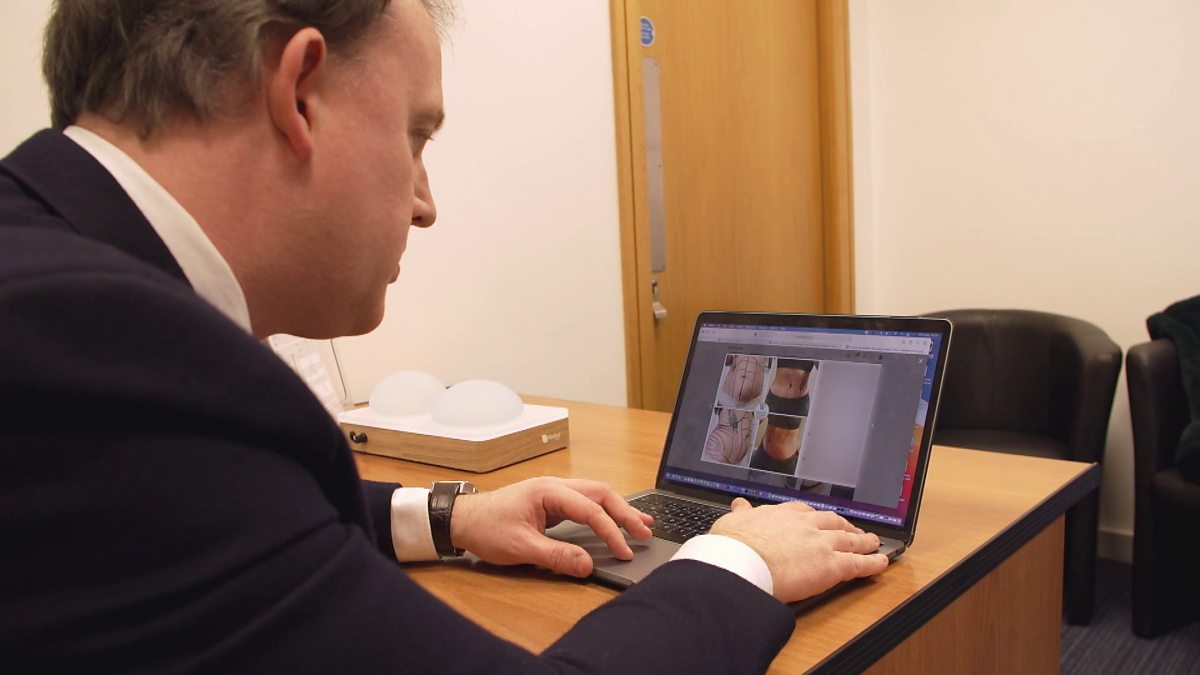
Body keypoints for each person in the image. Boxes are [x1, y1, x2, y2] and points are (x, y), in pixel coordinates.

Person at [0, 1, 888, 671]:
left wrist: (451, 515)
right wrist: (737, 558)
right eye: (416, 135)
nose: (425, 204)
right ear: (298, 90)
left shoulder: (53, 281)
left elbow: (221, 520)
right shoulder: (107, 356)